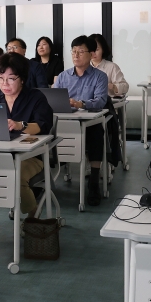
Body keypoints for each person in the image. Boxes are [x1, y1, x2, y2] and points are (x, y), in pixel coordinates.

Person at [0, 53, 53, 243]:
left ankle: (32, 213)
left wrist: (21, 125)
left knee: (16, 175)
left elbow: (42, 126)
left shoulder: (35, 97)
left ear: (22, 79)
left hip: (31, 155)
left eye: (11, 79)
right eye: (1, 78)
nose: (5, 84)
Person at [53, 35, 108, 206]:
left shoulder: (100, 76)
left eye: (80, 51)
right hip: (64, 120)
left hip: (88, 121)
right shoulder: (63, 76)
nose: (76, 55)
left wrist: (81, 104)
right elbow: (53, 98)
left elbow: (101, 101)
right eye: (73, 51)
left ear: (91, 54)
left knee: (96, 132)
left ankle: (94, 181)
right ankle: (43, 179)